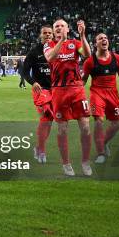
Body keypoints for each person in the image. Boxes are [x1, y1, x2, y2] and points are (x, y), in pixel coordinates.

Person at [43, 19, 92, 176]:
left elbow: (88, 54)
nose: (58, 28)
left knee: (85, 127)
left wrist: (83, 35)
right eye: (56, 26)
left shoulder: (75, 42)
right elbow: (50, 58)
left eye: (61, 26)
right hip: (59, 91)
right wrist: (61, 41)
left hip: (77, 89)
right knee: (62, 129)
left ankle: (85, 162)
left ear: (67, 29)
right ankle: (66, 163)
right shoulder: (48, 44)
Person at [82, 33, 119, 163]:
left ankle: (104, 142)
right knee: (99, 121)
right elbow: (83, 81)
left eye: (106, 38)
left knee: (117, 124)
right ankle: (100, 153)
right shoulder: (89, 61)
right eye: (100, 38)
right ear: (95, 44)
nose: (104, 39)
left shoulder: (117, 58)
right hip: (97, 93)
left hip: (112, 94)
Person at [22, 26, 54, 164]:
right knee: (46, 117)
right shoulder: (34, 52)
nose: (47, 35)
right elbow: (24, 71)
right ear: (40, 35)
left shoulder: (57, 50)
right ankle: (42, 151)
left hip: (55, 90)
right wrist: (33, 82)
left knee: (50, 121)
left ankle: (38, 147)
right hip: (41, 90)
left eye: (49, 33)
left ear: (52, 35)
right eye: (44, 33)